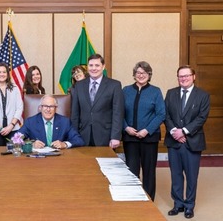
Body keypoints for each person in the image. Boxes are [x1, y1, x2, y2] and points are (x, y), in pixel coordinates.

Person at [164, 65, 210, 219]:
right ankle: (178, 204)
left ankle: (189, 205)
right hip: (174, 142)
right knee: (176, 175)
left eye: (186, 76)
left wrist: (183, 131)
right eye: (180, 76)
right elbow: (166, 115)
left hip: (192, 142)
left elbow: (201, 118)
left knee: (191, 176)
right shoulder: (171, 93)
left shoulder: (203, 95)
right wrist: (174, 132)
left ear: (193, 77)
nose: (183, 78)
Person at [122, 61, 165, 201]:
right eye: (138, 73)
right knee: (132, 171)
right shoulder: (126, 90)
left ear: (149, 75)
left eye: (144, 73)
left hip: (149, 138)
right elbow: (118, 113)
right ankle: (134, 200)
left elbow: (161, 114)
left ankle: (148, 201)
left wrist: (147, 130)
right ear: (134, 75)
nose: (141, 75)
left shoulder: (155, 91)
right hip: (130, 138)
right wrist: (126, 127)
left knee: (149, 172)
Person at [71, 54, 124, 148]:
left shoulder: (114, 85)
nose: (93, 68)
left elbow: (118, 113)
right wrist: (73, 136)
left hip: (105, 136)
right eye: (91, 65)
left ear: (103, 67)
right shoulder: (79, 86)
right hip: (83, 136)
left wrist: (115, 137)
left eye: (97, 65)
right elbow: (75, 114)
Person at [19, 94, 84, 149]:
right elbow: (15, 140)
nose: (48, 109)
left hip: (58, 159)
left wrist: (64, 144)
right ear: (40, 108)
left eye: (51, 106)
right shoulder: (30, 122)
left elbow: (79, 140)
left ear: (56, 109)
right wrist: (31, 145)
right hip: (38, 160)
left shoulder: (65, 122)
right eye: (45, 106)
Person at [0, 62, 23, 146]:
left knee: (12, 156)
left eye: (4, 72)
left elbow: (19, 107)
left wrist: (11, 126)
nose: (1, 74)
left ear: (7, 74)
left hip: (13, 129)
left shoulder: (15, 88)